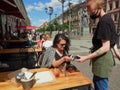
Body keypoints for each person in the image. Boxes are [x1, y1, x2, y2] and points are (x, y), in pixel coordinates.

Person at [76, 0, 118, 90]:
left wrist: (85, 58)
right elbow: (112, 42)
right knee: (98, 82)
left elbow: (105, 47)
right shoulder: (107, 19)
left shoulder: (104, 22)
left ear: (98, 8)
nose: (90, 14)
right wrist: (117, 54)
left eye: (91, 12)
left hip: (102, 61)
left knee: (100, 85)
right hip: (102, 60)